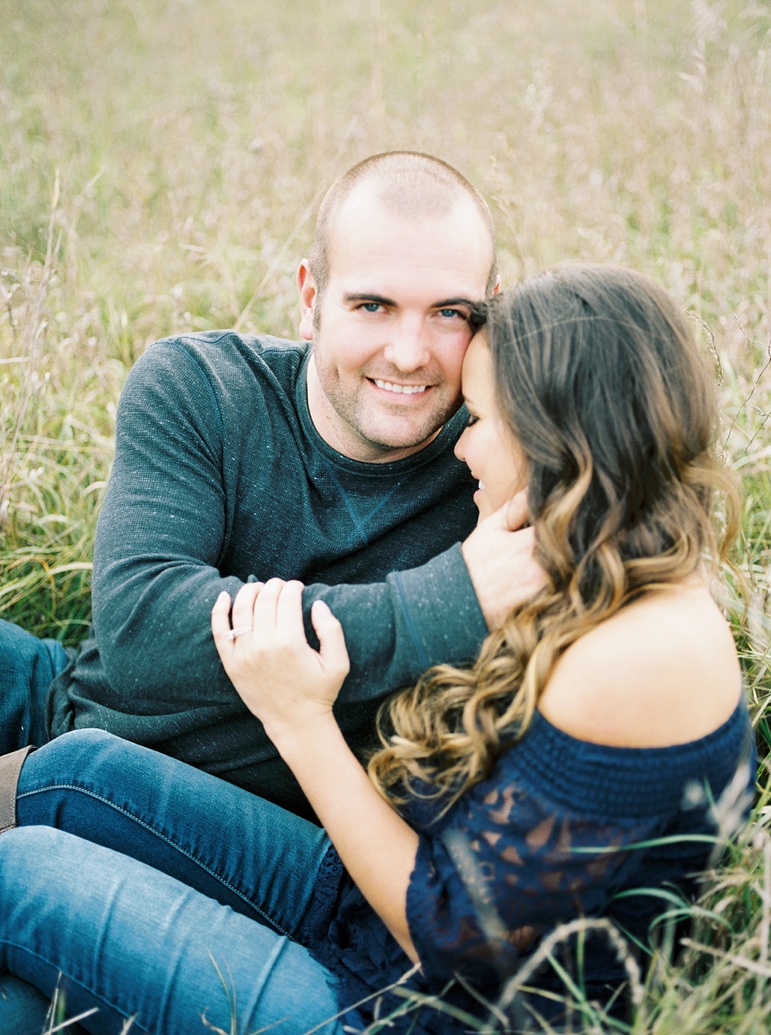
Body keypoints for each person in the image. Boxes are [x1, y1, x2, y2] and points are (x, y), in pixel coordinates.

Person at [0, 264, 755, 1034]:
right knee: (75, 771)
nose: (462, 449)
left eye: (480, 420)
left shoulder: (626, 660)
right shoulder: (612, 571)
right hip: (379, 912)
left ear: (558, 441)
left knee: (18, 875)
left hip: (405, 1009)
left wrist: (301, 722)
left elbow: (459, 943)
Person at [0, 150, 543, 818]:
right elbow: (141, 628)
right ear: (311, 300)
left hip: (187, 814)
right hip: (69, 695)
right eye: (372, 305)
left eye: (447, 313)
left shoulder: (501, 465)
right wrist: (445, 605)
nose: (408, 352)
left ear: (488, 312)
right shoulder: (200, 384)